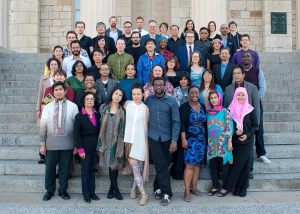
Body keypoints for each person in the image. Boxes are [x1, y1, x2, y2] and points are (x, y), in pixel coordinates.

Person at [40, 81, 79, 201]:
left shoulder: (73, 106)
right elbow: (43, 125)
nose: (58, 92)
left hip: (68, 144)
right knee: (50, 169)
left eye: (60, 90)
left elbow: (77, 127)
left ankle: (63, 190)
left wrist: (76, 144)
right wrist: (42, 144)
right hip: (51, 143)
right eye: (56, 90)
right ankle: (49, 191)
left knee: (64, 169)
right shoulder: (47, 106)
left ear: (65, 91)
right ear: (53, 92)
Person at [145, 77, 180, 206]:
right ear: (152, 87)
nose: (158, 87)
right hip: (154, 137)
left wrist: (174, 141)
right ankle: (167, 193)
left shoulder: (171, 102)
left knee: (165, 164)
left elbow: (176, 122)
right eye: (156, 85)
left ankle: (157, 187)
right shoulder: (148, 100)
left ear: (165, 86)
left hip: (168, 138)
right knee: (160, 164)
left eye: (161, 85)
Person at [220, 87, 259, 197]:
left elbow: (255, 125)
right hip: (234, 142)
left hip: (247, 142)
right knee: (236, 166)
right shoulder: (230, 110)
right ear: (235, 96)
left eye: (242, 95)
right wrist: (235, 133)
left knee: (244, 166)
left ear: (246, 96)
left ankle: (243, 187)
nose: (240, 97)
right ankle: (237, 187)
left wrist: (247, 135)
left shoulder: (250, 109)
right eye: (238, 95)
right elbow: (227, 127)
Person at [241, 52, 270, 178]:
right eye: (244, 57)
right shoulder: (239, 72)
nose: (246, 58)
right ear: (242, 59)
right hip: (241, 106)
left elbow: (262, 88)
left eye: (248, 57)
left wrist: (254, 99)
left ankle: (261, 153)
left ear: (252, 59)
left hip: (255, 104)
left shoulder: (258, 72)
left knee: (258, 127)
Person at [98, 88, 126, 200]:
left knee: (114, 166)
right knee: (110, 166)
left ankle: (113, 189)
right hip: (105, 141)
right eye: (116, 94)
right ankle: (115, 189)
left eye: (120, 95)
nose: (117, 96)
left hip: (117, 142)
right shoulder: (103, 108)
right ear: (112, 94)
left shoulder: (123, 111)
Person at [180, 86, 207, 202]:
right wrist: (183, 139)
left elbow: (205, 123)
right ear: (188, 94)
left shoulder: (203, 106)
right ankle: (186, 191)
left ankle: (194, 187)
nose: (195, 95)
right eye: (192, 93)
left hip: (201, 140)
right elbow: (181, 124)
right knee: (189, 165)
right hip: (190, 140)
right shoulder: (184, 107)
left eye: (197, 92)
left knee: (197, 165)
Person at [124, 84, 149, 206]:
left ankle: (133, 188)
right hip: (128, 141)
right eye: (134, 94)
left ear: (143, 94)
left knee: (137, 168)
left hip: (140, 141)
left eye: (138, 94)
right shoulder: (127, 105)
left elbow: (146, 127)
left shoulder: (145, 108)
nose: (136, 96)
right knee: (134, 166)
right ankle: (144, 194)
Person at [74, 92, 100, 203]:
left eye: (92, 99)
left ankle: (92, 193)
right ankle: (86, 194)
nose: (90, 100)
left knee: (92, 170)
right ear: (84, 101)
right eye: (88, 99)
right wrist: (80, 149)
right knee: (85, 171)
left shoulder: (97, 114)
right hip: (84, 148)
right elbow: (76, 134)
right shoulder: (79, 116)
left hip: (95, 147)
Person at [206, 91, 233, 196]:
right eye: (211, 98)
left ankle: (225, 187)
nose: (213, 100)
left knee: (224, 165)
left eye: (215, 97)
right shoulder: (207, 112)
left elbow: (229, 126)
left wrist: (229, 141)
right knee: (213, 165)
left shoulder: (225, 111)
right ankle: (215, 185)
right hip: (211, 143)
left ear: (219, 98)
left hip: (224, 143)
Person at [36, 58, 60, 122]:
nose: (53, 66)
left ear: (58, 66)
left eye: (55, 64)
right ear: (49, 66)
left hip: (59, 103)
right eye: (51, 64)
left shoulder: (61, 77)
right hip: (47, 102)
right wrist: (38, 109)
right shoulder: (43, 78)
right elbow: (40, 94)